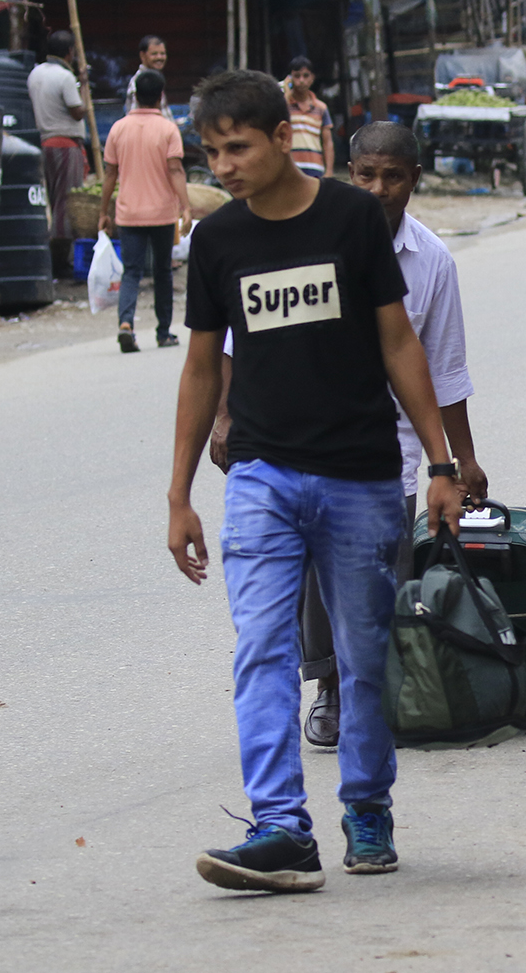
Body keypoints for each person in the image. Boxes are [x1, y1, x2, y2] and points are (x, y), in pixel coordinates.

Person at [166, 69, 461, 892]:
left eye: (237, 147)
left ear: (280, 139)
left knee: (364, 659)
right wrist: (179, 492)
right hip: (261, 475)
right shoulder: (219, 240)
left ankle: (366, 807)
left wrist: (439, 464)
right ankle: (281, 828)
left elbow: (400, 343)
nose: (222, 165)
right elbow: (198, 369)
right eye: (211, 151)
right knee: (262, 649)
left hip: (362, 480)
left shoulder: (352, 218)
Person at [210, 121, 488, 747]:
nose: (380, 189)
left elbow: (442, 367)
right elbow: (233, 341)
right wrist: (226, 417)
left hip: (390, 448)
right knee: (308, 573)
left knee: (378, 573)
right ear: (348, 174)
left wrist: (458, 459)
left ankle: (376, 689)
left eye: (394, 176)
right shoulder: (304, 240)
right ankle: (329, 685)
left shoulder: (432, 263)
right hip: (302, 440)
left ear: (415, 179)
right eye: (366, 175)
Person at [100, 69, 190, 352]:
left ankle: (126, 323)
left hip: (129, 214)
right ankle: (164, 333)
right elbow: (175, 169)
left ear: (135, 96)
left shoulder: (118, 128)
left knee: (132, 272)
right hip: (163, 213)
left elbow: (110, 174)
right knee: (163, 271)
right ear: (160, 96)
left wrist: (104, 210)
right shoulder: (167, 129)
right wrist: (186, 207)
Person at [28, 29, 88, 276]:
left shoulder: (35, 73)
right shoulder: (64, 77)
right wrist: (83, 84)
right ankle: (59, 261)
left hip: (45, 143)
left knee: (53, 201)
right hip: (64, 145)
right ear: (70, 52)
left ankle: (57, 257)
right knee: (66, 203)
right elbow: (77, 111)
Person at [281, 57, 334, 179]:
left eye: (305, 76)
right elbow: (274, 119)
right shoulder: (284, 105)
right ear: (290, 78)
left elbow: (327, 142)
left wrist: (329, 171)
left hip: (315, 167)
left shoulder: (321, 108)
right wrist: (287, 94)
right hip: (290, 167)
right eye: (297, 76)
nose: (301, 80)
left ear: (312, 78)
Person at [125, 35, 168, 110]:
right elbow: (137, 118)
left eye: (162, 53)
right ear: (142, 55)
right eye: (154, 54)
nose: (159, 57)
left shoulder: (156, 79)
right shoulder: (139, 82)